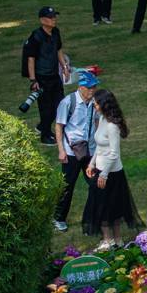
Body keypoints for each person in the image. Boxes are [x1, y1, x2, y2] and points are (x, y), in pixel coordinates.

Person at [83, 88, 141, 250]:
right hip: (101, 170)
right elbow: (100, 147)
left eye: (96, 103)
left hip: (111, 174)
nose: (94, 105)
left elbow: (114, 153)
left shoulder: (112, 126)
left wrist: (104, 174)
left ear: (104, 104)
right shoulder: (102, 119)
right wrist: (92, 164)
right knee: (102, 206)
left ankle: (114, 240)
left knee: (112, 207)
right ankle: (109, 240)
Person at [52, 69, 100, 232]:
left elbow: (97, 123)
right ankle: (59, 218)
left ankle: (95, 217)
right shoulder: (68, 102)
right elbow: (59, 126)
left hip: (90, 151)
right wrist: (61, 150)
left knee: (96, 183)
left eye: (94, 87)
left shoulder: (95, 103)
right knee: (67, 186)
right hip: (71, 152)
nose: (93, 90)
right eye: (90, 87)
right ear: (81, 87)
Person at [24, 6, 69, 144]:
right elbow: (30, 59)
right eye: (50, 17)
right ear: (42, 20)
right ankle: (45, 135)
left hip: (54, 75)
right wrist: (33, 80)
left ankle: (42, 127)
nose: (54, 19)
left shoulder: (55, 32)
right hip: (42, 77)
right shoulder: (36, 37)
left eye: (54, 16)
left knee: (60, 104)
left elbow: (58, 50)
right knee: (46, 108)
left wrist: (64, 67)